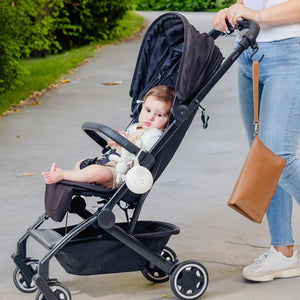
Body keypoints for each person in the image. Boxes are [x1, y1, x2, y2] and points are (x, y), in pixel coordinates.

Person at [212, 0, 300, 282]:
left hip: (289, 54)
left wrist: (258, 15)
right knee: (261, 158)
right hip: (248, 53)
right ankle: (283, 251)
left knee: (278, 158)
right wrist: (232, 10)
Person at [42, 85, 175, 189]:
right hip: (110, 163)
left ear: (168, 119)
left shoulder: (155, 134)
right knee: (82, 163)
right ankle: (71, 181)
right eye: (147, 110)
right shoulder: (136, 127)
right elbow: (125, 147)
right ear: (141, 107)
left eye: (159, 115)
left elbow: (140, 151)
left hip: (122, 174)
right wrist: (116, 142)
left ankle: (63, 175)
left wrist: (125, 141)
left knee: (95, 172)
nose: (150, 117)